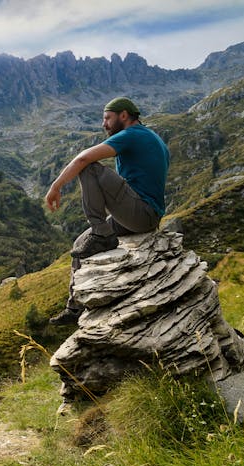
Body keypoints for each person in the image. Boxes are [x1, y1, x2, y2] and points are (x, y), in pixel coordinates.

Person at [45, 97, 169, 325]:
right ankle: (74, 307)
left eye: (107, 118)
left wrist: (56, 186)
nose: (104, 124)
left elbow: (83, 158)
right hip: (144, 215)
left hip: (141, 213)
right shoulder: (152, 137)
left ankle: (101, 233)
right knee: (81, 243)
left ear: (123, 116)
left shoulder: (133, 134)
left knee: (89, 168)